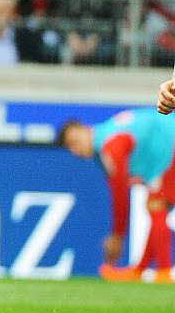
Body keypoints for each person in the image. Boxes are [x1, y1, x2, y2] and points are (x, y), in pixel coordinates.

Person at [59, 111, 175, 282]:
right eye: (71, 148)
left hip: (170, 147)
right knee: (156, 206)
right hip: (166, 148)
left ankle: (164, 272)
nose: (76, 151)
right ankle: (140, 270)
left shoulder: (111, 145)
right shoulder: (107, 134)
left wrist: (117, 236)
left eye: (75, 143)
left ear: (85, 129)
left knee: (156, 207)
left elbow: (120, 192)